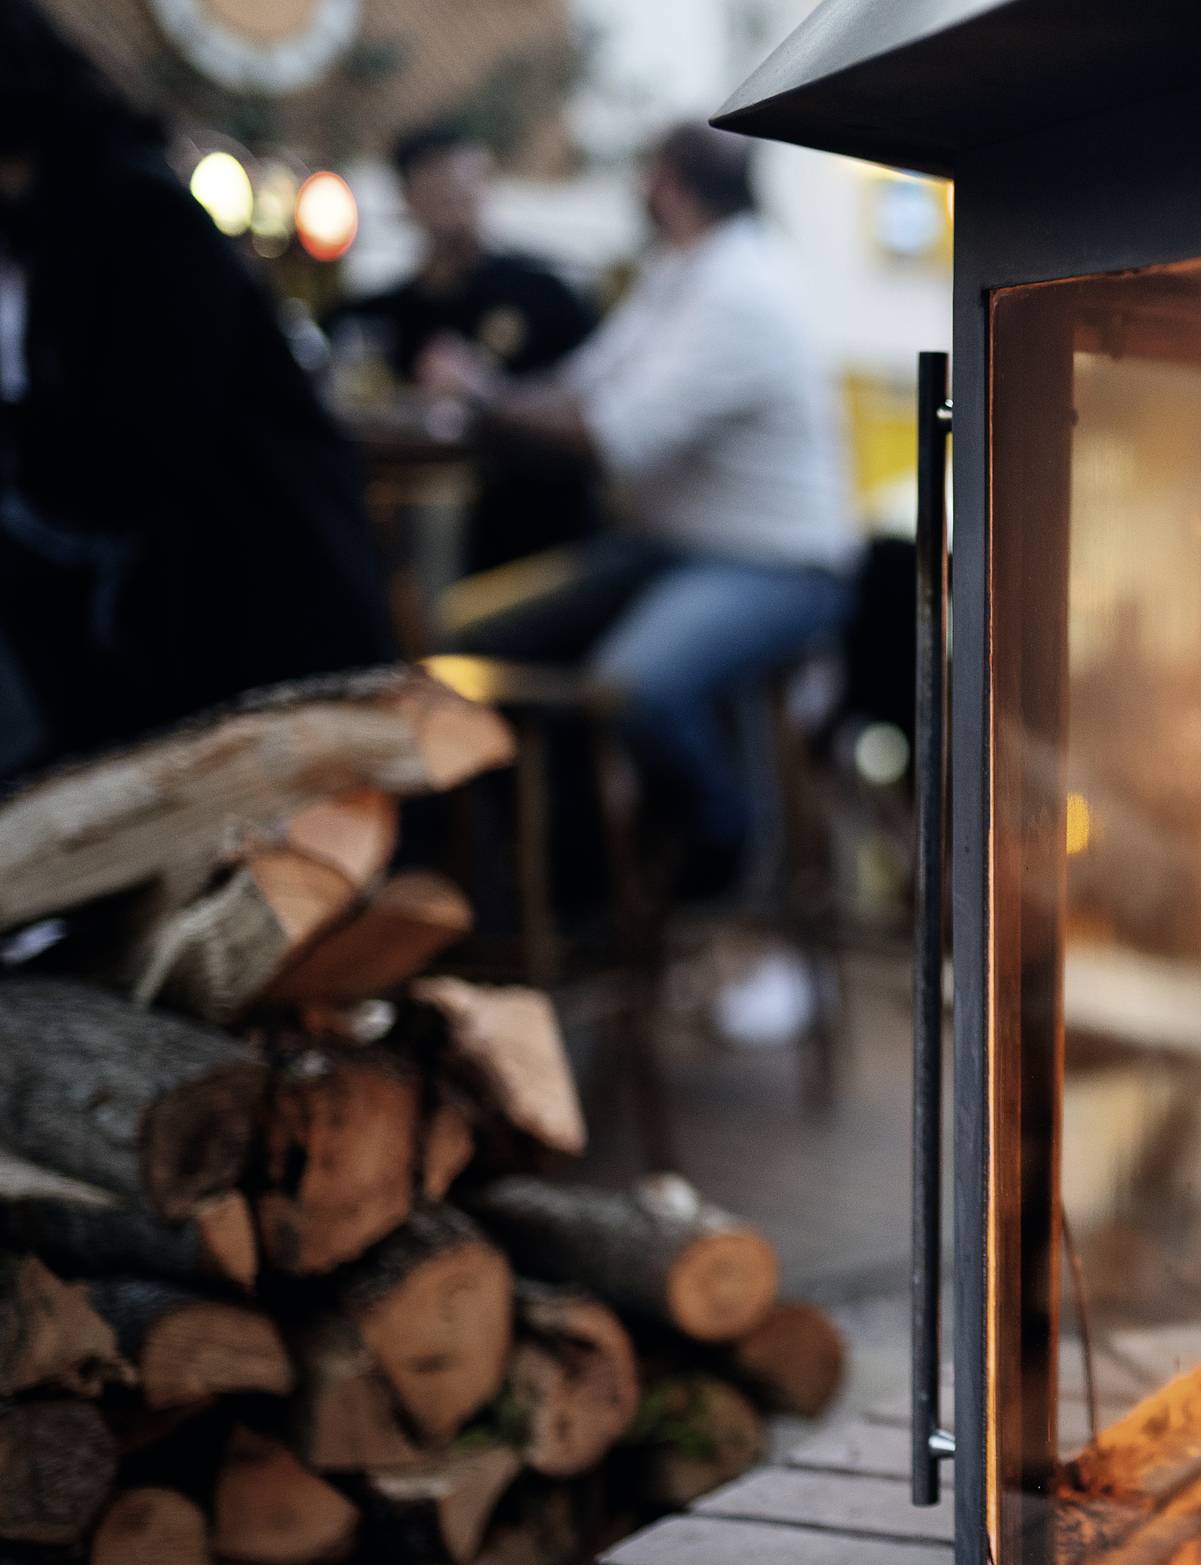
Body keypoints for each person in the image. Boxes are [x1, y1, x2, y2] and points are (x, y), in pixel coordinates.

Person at [427, 123, 855, 898]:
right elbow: (582, 385)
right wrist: (495, 395)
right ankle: (550, 886)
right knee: (469, 639)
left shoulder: (743, 289)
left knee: (639, 687)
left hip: (779, 564)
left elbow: (608, 433)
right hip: (668, 548)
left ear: (669, 185)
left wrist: (480, 395)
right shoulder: (679, 273)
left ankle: (722, 866)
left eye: (644, 173)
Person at [0, 0, 394, 781]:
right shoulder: (45, 229)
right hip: (160, 627)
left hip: (246, 622)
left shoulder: (135, 217)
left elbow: (144, 445)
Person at [337, 121, 600, 571]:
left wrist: (481, 390)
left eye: (468, 188)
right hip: (390, 521)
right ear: (407, 198)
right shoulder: (373, 316)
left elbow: (591, 405)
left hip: (522, 531)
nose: (458, 205)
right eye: (441, 190)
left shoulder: (545, 297)